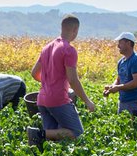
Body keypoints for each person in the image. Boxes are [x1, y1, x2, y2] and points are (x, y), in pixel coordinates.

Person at [27, 14, 95, 145]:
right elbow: (73, 80)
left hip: (42, 99)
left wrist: (50, 81)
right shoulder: (68, 50)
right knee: (76, 133)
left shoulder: (47, 47)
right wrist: (87, 101)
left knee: (52, 141)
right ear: (75, 30)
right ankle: (38, 133)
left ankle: (40, 137)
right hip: (58, 100)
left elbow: (34, 73)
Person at [102, 32, 137, 115]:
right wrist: (111, 87)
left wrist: (118, 88)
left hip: (134, 101)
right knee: (122, 125)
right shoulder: (121, 62)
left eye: (120, 43)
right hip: (123, 100)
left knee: (133, 126)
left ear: (128, 43)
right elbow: (119, 79)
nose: (118, 46)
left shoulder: (136, 61)